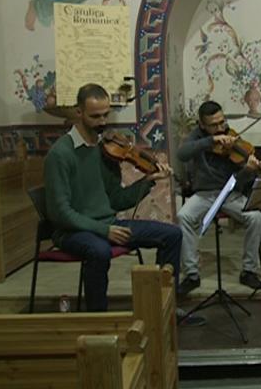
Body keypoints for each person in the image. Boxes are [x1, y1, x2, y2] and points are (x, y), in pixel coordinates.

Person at [44, 83, 182, 312]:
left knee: (172, 234)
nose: (102, 122)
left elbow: (117, 200)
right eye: (95, 116)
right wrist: (103, 231)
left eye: (106, 114)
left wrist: (148, 182)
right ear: (78, 113)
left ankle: (165, 308)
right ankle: (98, 317)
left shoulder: (103, 150)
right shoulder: (60, 154)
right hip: (72, 232)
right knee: (99, 251)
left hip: (107, 224)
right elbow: (59, 213)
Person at [176, 100, 261, 298]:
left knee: (255, 217)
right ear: (202, 125)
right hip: (204, 194)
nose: (220, 128)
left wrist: (248, 171)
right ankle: (191, 274)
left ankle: (249, 271)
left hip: (230, 193)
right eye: (214, 125)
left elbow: (239, 181)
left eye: (222, 122)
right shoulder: (197, 137)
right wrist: (211, 141)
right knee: (183, 217)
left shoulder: (232, 137)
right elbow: (182, 154)